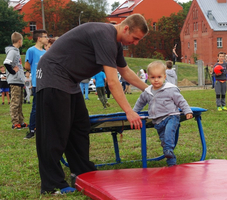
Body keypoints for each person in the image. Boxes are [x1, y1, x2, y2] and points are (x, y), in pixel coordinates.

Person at [35, 14, 149, 194]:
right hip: (53, 76)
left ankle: (82, 172)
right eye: (135, 39)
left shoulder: (116, 43)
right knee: (55, 131)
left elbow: (125, 71)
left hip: (70, 81)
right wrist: (129, 111)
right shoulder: (105, 36)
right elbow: (112, 81)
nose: (135, 43)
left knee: (80, 126)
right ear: (125, 28)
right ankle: (52, 184)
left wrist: (149, 90)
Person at [133, 61, 193, 167]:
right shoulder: (147, 92)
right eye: (153, 77)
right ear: (148, 78)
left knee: (169, 136)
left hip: (171, 116)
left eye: (159, 77)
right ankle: (171, 162)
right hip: (157, 121)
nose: (156, 80)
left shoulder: (170, 89)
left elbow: (181, 101)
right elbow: (140, 103)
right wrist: (133, 113)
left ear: (164, 77)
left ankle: (168, 150)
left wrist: (187, 111)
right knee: (164, 141)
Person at [24, 29, 48, 139]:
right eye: (45, 36)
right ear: (39, 38)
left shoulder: (45, 52)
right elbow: (27, 66)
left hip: (46, 83)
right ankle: (32, 129)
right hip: (37, 83)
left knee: (45, 107)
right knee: (36, 107)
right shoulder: (31, 50)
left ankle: (43, 127)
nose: (47, 38)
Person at [3, 32, 27, 130]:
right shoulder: (12, 51)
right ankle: (15, 122)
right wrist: (13, 72)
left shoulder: (16, 50)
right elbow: (6, 63)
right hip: (14, 80)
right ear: (19, 41)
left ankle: (21, 121)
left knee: (20, 102)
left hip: (19, 80)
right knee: (15, 102)